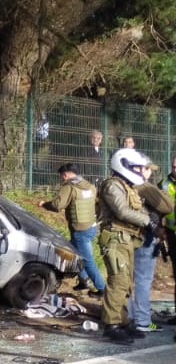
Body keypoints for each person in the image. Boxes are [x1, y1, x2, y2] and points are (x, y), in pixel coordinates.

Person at [96, 147, 152, 344]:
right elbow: (122, 211)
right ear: (124, 165)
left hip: (126, 238)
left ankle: (122, 321)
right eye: (136, 168)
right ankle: (111, 326)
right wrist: (147, 221)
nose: (139, 171)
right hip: (114, 238)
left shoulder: (126, 186)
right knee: (118, 281)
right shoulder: (112, 185)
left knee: (126, 282)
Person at [40, 164, 104, 296]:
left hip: (80, 230)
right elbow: (97, 203)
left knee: (87, 261)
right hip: (91, 227)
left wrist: (44, 204)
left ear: (65, 175)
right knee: (72, 254)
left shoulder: (69, 187)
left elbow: (58, 205)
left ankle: (102, 288)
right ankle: (84, 279)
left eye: (61, 176)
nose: (62, 179)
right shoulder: (89, 186)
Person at [127, 161, 170, 335]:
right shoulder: (144, 187)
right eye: (147, 170)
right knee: (143, 280)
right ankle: (144, 321)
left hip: (125, 237)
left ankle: (128, 317)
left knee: (125, 280)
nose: (149, 174)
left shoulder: (121, 185)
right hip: (145, 236)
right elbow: (167, 206)